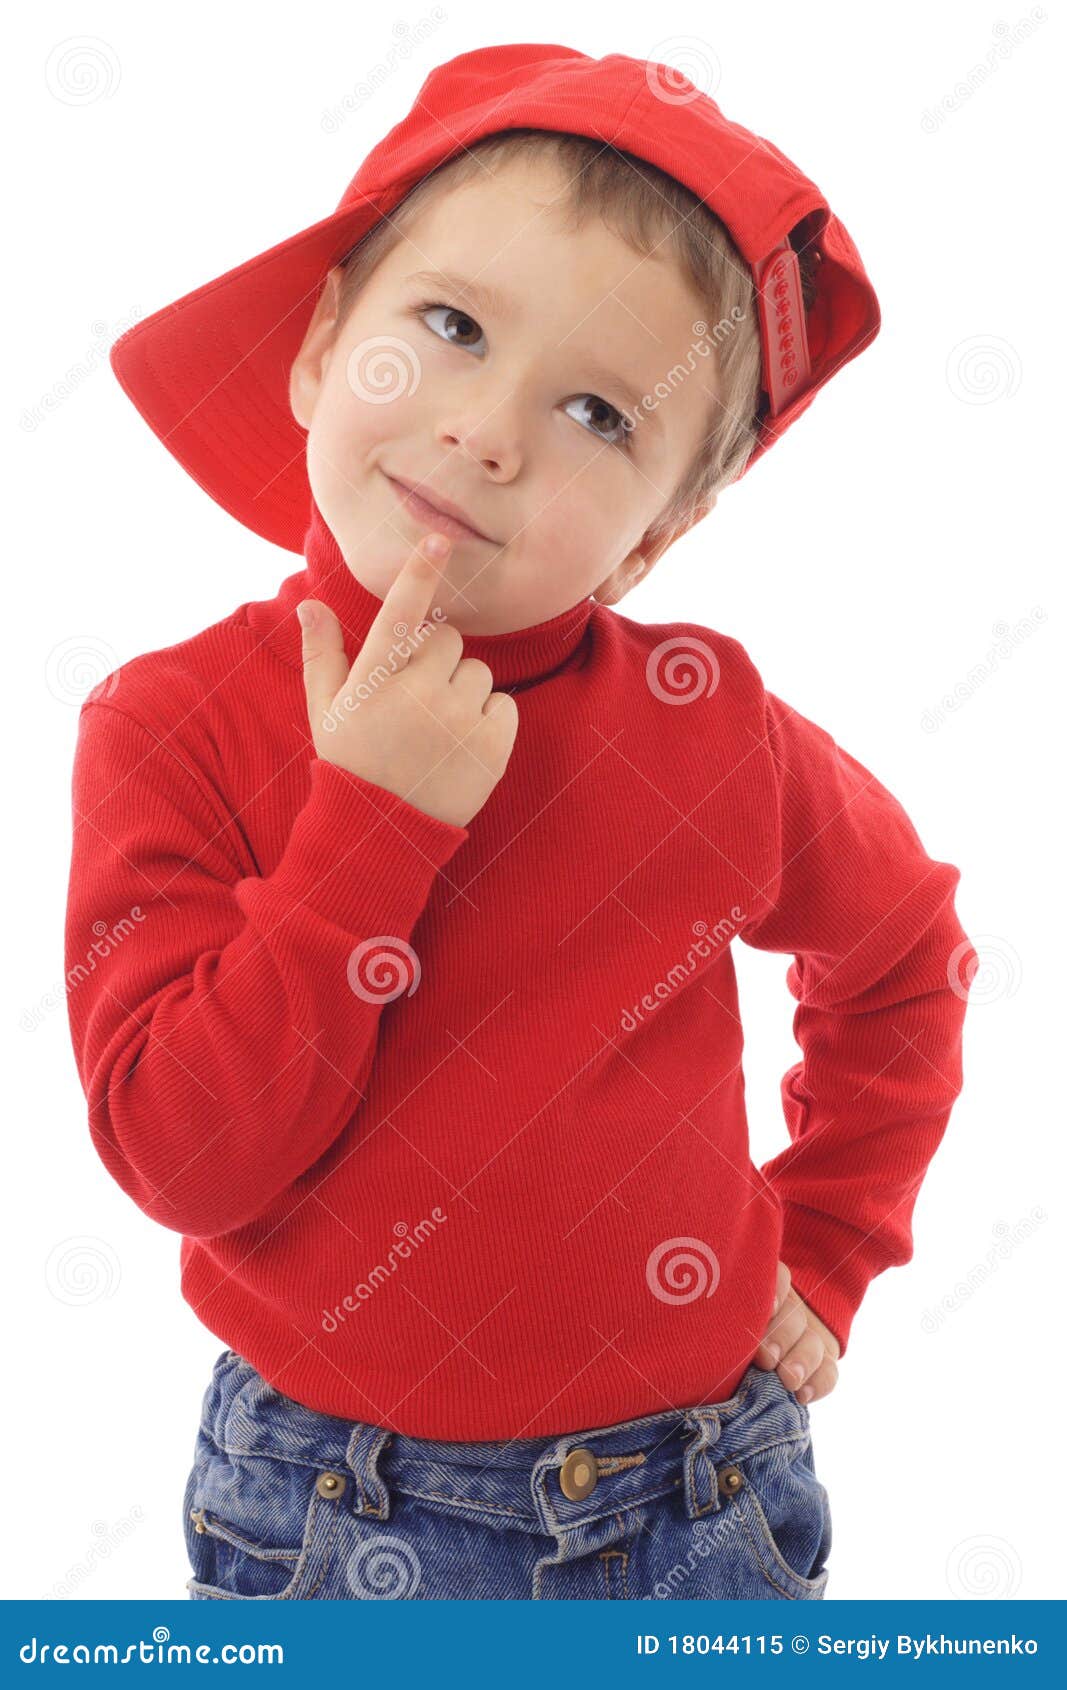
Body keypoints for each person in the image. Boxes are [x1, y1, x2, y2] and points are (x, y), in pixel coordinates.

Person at [64, 42, 976, 1600]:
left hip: (698, 1494)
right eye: (452, 326)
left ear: (652, 541)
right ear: (321, 346)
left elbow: (905, 954)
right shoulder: (172, 723)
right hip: (334, 1506)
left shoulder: (707, 723)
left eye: (600, 413)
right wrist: (370, 822)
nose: (491, 430)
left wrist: (829, 1238)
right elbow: (183, 1155)